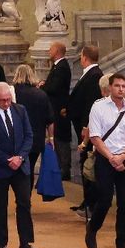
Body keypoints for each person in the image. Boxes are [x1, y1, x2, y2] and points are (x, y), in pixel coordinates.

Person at [84, 71, 125, 248]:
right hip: (105, 158)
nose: (121, 89)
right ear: (110, 88)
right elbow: (95, 136)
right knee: (106, 199)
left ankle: (121, 245)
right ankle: (93, 227)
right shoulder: (99, 107)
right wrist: (111, 158)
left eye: (124, 86)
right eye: (117, 86)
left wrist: (123, 156)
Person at [0, 81, 40, 248]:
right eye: (2, 100)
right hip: (0, 169)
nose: (6, 103)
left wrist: (20, 157)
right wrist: (6, 160)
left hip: (20, 167)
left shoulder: (20, 110)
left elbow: (29, 136)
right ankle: (1, 244)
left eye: (8, 100)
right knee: (0, 206)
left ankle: (25, 244)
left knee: (25, 204)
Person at [67, 45, 105, 202]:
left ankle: (90, 201)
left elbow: (91, 103)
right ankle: (87, 200)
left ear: (84, 57)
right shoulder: (91, 74)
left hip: (87, 128)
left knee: (88, 163)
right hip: (83, 125)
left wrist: (85, 125)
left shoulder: (95, 75)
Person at [41, 41, 75, 181]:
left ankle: (64, 169)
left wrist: (43, 87)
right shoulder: (58, 66)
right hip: (54, 107)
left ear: (57, 51)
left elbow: (54, 88)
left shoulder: (61, 67)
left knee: (61, 138)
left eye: (51, 49)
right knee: (57, 137)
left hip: (59, 108)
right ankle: (59, 167)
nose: (49, 51)